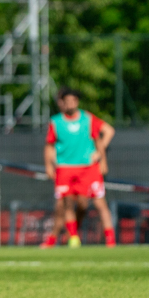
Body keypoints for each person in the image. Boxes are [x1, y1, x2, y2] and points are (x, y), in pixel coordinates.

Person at [43, 87, 117, 248]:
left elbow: (103, 135)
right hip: (65, 169)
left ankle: (110, 240)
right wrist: (49, 166)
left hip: (88, 169)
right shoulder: (56, 122)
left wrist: (101, 158)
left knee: (90, 203)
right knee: (63, 204)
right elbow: (49, 145)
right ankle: (67, 238)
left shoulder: (87, 119)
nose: (70, 103)